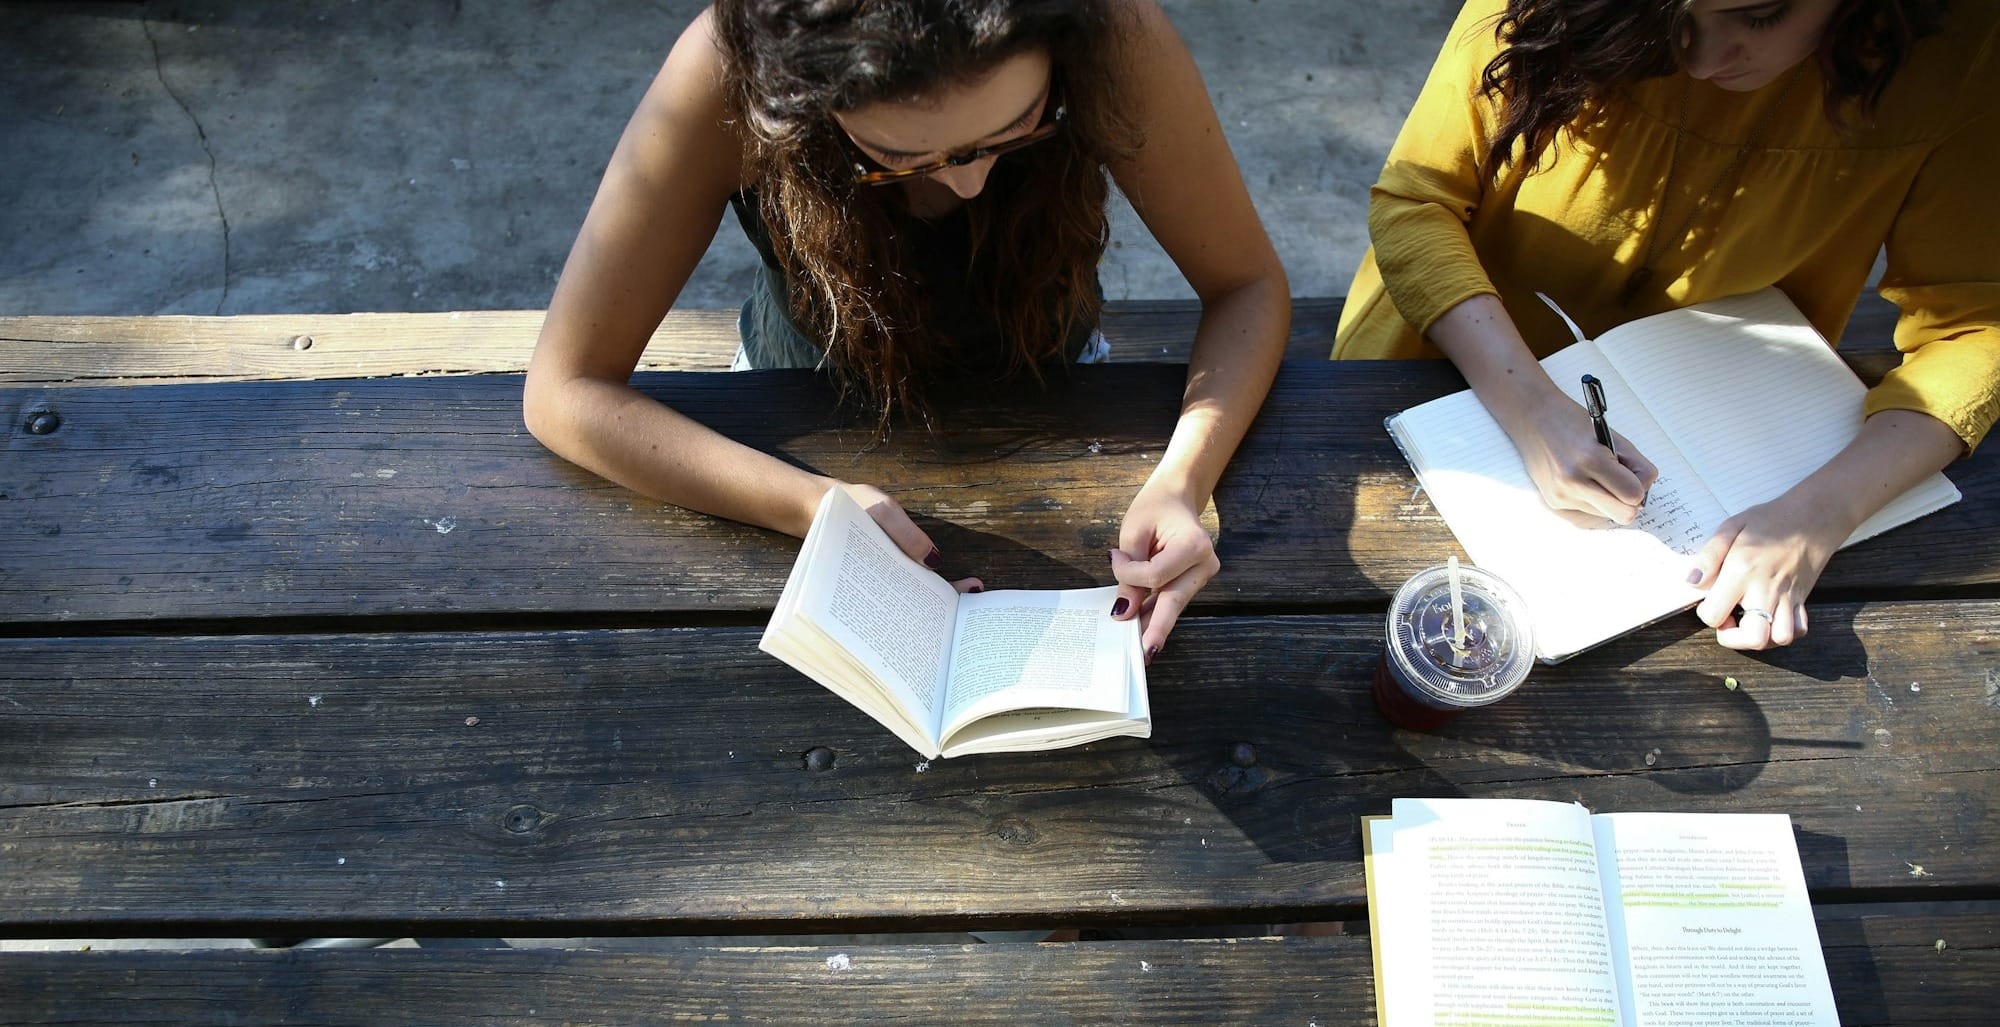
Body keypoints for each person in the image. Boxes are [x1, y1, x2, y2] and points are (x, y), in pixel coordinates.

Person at [524, 0, 1290, 660]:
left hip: (1057, 386)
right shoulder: (729, 67)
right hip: (794, 412)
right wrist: (812, 505)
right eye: (898, 156)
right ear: (796, 97)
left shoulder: (1112, 32)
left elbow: (1247, 285)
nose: (967, 181)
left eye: (1018, 128)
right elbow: (565, 389)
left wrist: (1183, 480)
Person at [1335, 0, 1998, 650]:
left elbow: (1976, 328)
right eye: (1672, 14)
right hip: (1439, 359)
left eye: (1760, 16)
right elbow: (1417, 201)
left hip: (1741, 443)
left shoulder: (1961, 52)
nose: (1704, 59)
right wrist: (1531, 406)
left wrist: (1821, 513)